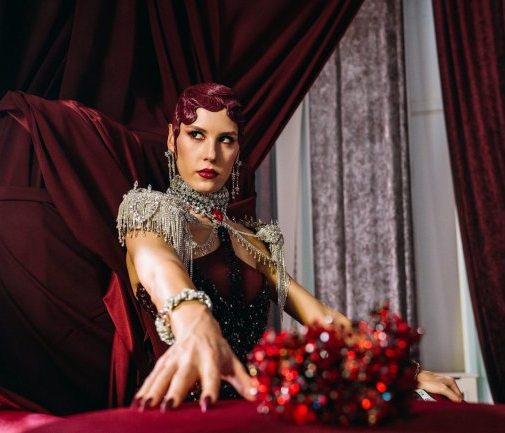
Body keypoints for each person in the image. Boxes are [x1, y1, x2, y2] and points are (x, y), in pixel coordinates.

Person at [117, 83, 464, 414]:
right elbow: (157, 264)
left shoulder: (249, 238)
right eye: (197, 135)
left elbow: (321, 318)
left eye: (226, 140)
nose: (211, 153)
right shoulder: (147, 213)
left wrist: (398, 369)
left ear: (237, 150)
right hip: (185, 409)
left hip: (258, 408)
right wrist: (194, 320)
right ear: (172, 138)